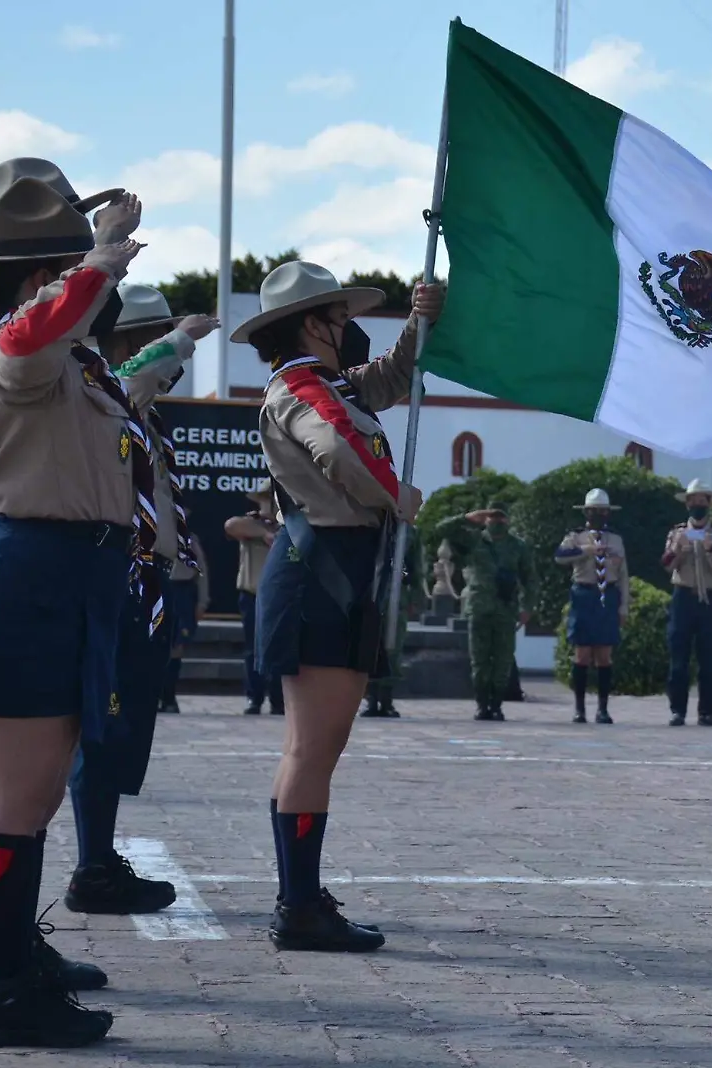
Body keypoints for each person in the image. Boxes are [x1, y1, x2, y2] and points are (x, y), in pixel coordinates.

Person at [0, 175, 144, 1047]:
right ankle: (7, 993)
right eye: (66, 267)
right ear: (38, 277)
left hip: (69, 579)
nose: (97, 287)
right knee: (16, 803)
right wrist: (97, 257)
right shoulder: (15, 339)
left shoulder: (71, 360)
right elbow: (29, 339)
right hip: (30, 580)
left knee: (40, 794)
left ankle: (12, 950)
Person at [235, 260, 440, 952]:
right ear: (311, 325)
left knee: (317, 746)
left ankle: (301, 894)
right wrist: (396, 494)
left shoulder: (328, 383)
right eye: (339, 316)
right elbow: (340, 450)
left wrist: (420, 320)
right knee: (313, 747)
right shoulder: (302, 389)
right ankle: (298, 905)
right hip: (322, 568)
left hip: (335, 566)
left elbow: (384, 380)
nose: (349, 327)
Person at [63, 284, 219, 917]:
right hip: (116, 581)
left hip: (146, 584)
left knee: (124, 726)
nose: (178, 366)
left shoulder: (139, 413)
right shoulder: (110, 391)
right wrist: (181, 334)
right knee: (101, 727)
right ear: (127, 342)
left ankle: (99, 857)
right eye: (158, 343)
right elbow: (133, 375)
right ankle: (93, 866)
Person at [438, 501, 532, 722]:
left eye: (501, 517)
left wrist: (527, 607)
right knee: (479, 662)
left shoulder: (518, 546)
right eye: (492, 517)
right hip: (479, 608)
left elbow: (530, 579)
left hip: (505, 610)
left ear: (508, 519)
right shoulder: (473, 541)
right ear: (486, 519)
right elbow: (442, 530)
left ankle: (497, 705)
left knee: (502, 662)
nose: (497, 521)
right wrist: (468, 518)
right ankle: (482, 705)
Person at [663, 478, 712, 727]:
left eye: (702, 501)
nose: (697, 505)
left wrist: (711, 549)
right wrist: (679, 550)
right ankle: (677, 711)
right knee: (679, 658)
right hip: (683, 597)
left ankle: (706, 712)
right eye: (693, 501)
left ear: (709, 503)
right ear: (688, 504)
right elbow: (666, 564)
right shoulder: (677, 532)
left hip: (709, 600)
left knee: (707, 659)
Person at [555, 489, 628, 724]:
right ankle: (579, 709)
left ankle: (603, 709)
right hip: (584, 594)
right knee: (582, 653)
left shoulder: (616, 538)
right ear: (586, 512)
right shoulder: (576, 536)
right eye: (593, 510)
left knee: (605, 655)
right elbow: (560, 556)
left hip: (607, 594)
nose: (598, 514)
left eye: (602, 510)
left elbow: (624, 574)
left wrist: (624, 605)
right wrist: (586, 551)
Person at [225, 485, 285, 715]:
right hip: (252, 594)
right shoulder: (251, 524)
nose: (270, 503)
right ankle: (254, 697)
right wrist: (264, 532)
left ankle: (278, 701)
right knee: (252, 649)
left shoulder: (287, 525)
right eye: (266, 499)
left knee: (279, 649)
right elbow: (231, 526)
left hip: (279, 597)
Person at [359, 532, 425, 718]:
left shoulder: (408, 534)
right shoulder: (369, 525)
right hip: (369, 595)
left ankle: (386, 700)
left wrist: (415, 598)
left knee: (393, 649)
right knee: (370, 648)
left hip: (396, 599)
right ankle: (371, 700)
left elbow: (416, 569)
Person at [158, 505, 209, 716]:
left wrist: (202, 602)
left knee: (177, 646)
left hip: (182, 592)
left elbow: (202, 571)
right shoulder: (151, 536)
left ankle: (169, 696)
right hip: (158, 589)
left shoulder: (190, 540)